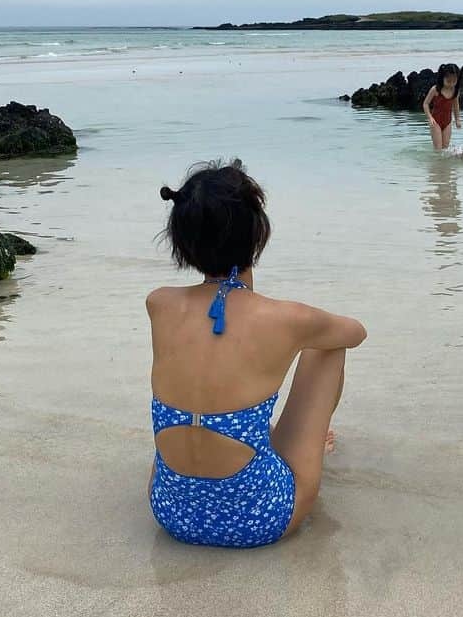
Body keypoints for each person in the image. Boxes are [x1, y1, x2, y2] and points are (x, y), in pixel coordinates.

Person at [147, 161, 366, 548]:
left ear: (182, 241)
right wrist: (299, 332)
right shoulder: (287, 318)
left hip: (170, 513)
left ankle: (269, 445)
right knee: (328, 347)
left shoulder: (159, 304)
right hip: (260, 520)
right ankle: (305, 445)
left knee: (199, 401)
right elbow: (356, 333)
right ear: (257, 233)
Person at [422, 62, 462, 149]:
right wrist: (430, 117)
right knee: (438, 149)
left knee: (445, 149)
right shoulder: (435, 89)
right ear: (442, 78)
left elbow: (456, 106)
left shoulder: (455, 91)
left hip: (447, 122)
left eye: (454, 81)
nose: (451, 84)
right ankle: (436, 162)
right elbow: (425, 104)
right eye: (448, 81)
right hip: (435, 121)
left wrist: (458, 119)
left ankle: (444, 163)